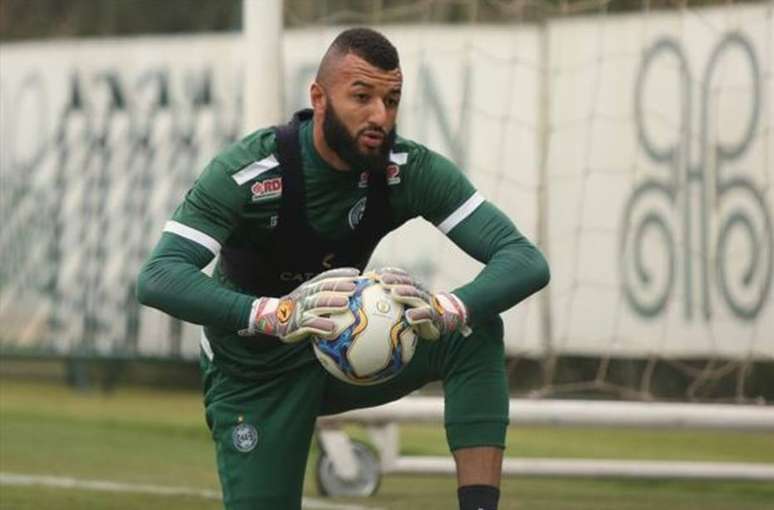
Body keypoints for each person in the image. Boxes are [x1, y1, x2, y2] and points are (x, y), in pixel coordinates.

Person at [137, 27, 549, 510]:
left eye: (392, 100)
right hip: (254, 371)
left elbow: (524, 260)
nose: (380, 115)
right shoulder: (250, 170)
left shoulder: (406, 169)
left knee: (471, 331)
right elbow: (159, 275)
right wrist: (274, 314)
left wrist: (445, 309)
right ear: (319, 98)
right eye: (362, 97)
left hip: (343, 353)